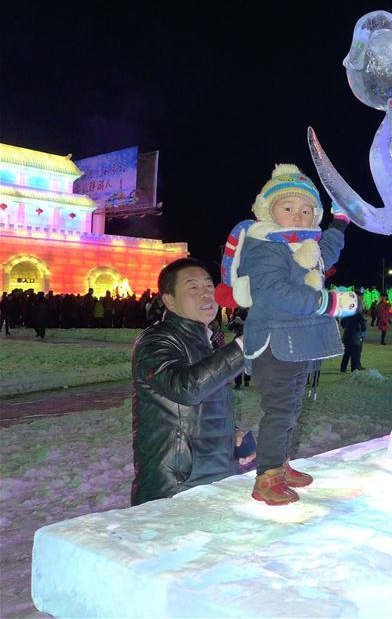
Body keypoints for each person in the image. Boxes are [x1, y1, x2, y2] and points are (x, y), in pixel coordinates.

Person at [238, 164, 357, 506]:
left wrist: (340, 222)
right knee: (279, 409)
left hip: (296, 343)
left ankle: (281, 463)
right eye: (288, 208)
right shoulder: (265, 245)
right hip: (274, 342)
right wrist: (326, 301)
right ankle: (267, 477)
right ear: (268, 210)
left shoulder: (303, 245)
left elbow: (328, 251)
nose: (299, 216)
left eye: (307, 211)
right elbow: (274, 291)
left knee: (291, 408)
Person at [131, 258, 252, 506]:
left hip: (215, 477)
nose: (206, 293)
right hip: (176, 486)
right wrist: (243, 346)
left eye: (209, 286)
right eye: (193, 288)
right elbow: (186, 388)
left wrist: (231, 433)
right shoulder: (156, 340)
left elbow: (200, 405)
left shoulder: (205, 339)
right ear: (169, 300)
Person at [340, 303, 367, 372]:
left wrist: (347, 327)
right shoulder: (358, 315)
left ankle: (343, 368)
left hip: (347, 336)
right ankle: (354, 368)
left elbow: (342, 323)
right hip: (355, 336)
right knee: (355, 353)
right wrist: (362, 328)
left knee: (347, 353)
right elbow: (363, 326)